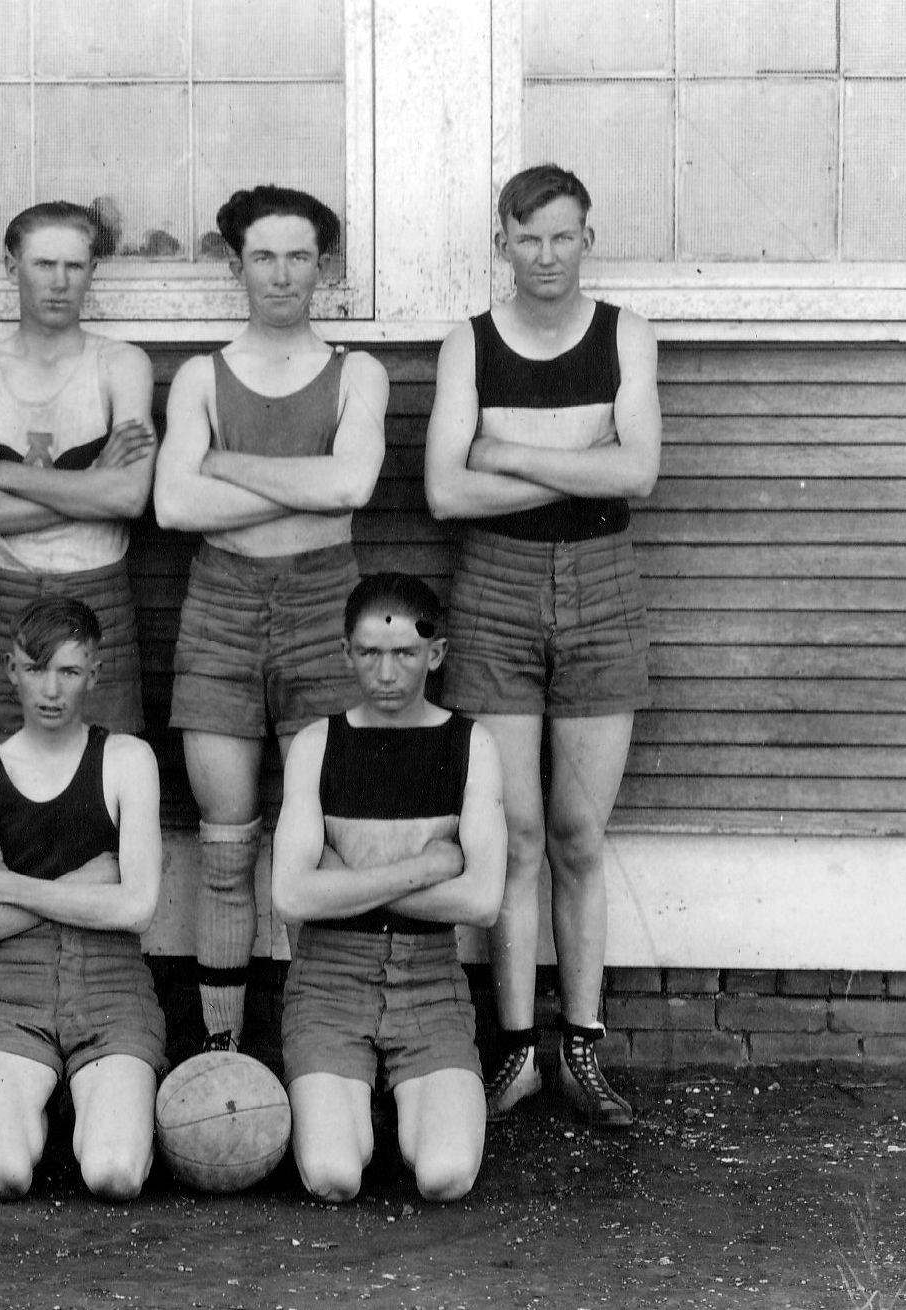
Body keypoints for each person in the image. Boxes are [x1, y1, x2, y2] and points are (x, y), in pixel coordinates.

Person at [423, 164, 662, 1129]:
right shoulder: (470, 344)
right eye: (529, 238)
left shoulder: (624, 334)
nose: (547, 256)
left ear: (587, 239)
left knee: (578, 836)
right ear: (503, 244)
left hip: (603, 585)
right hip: (494, 587)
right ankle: (517, 1051)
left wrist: (507, 453)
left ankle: (582, 1048)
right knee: (516, 836)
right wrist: (581, 466)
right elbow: (447, 492)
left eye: (564, 236)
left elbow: (638, 473)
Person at [154, 185, 389, 1053]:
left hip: (326, 608)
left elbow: (351, 487)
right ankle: (222, 1056)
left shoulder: (356, 373)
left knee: (318, 838)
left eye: (299, 257)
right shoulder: (200, 376)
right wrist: (301, 489)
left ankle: (320, 1050)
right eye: (263, 256)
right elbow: (176, 506)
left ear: (323, 266)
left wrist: (224, 464)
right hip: (220, 608)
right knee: (225, 845)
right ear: (237, 266)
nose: (282, 275)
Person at [270, 573, 506, 1203]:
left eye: (405, 653)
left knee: (445, 1175)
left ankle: (392, 1105)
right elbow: (290, 897)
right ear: (346, 653)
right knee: (333, 1176)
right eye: (369, 653)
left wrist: (342, 882)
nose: (386, 673)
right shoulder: (317, 745)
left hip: (429, 982)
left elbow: (482, 902)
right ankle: (358, 1104)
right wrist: (424, 869)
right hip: (329, 984)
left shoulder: (471, 745)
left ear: (437, 653)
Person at [0, 597, 165, 1201]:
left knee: (114, 1174)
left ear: (95, 673)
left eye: (69, 671)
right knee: (1, 1174)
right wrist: (86, 885)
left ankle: (90, 1105)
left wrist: (5, 885)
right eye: (36, 669)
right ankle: (48, 1103)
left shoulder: (127, 760)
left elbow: (137, 908)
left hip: (111, 989)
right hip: (11, 991)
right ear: (12, 669)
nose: (52, 690)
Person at [0, 202, 158, 747]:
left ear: (92, 271)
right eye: (43, 264)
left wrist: (1, 474)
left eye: (74, 266)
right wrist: (90, 485)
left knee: (101, 767)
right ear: (12, 267)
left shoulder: (121, 364)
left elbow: (128, 497)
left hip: (95, 588)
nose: (59, 282)